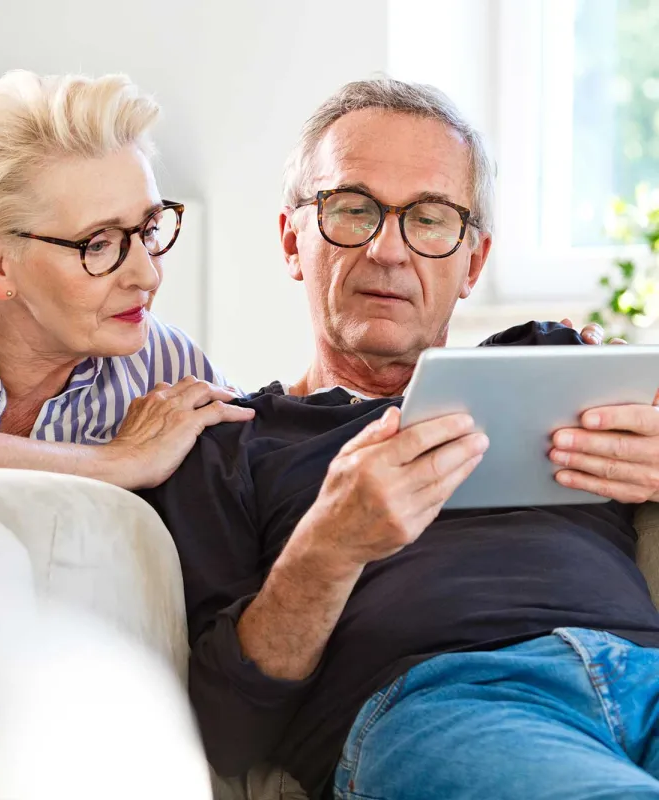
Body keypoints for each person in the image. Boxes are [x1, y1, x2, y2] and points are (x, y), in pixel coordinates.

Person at [140, 78, 659, 800]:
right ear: (294, 242)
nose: (388, 250)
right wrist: (330, 546)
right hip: (451, 704)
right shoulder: (228, 444)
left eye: (430, 218)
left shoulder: (555, 361)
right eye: (352, 210)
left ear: (472, 263)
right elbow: (229, 729)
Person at [0, 70, 253, 489]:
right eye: (99, 245)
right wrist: (120, 462)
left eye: (151, 228)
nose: (147, 274)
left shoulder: (167, 365)